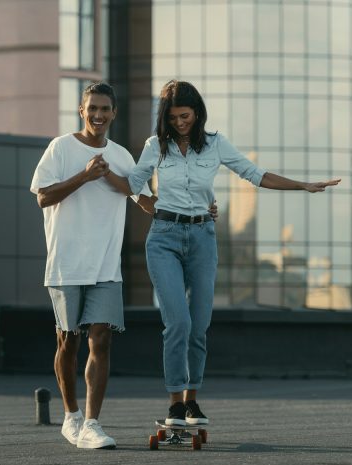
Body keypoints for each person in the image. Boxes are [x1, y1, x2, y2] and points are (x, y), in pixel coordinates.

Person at [104, 80, 340, 427]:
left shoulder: (215, 144)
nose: (180, 123)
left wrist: (302, 185)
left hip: (202, 237)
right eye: (173, 118)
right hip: (164, 239)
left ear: (197, 113)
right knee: (178, 323)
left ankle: (192, 400)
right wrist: (105, 175)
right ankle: (173, 403)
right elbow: (133, 186)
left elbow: (254, 174)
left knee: (199, 326)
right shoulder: (156, 146)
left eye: (185, 116)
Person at [29, 82, 156, 449]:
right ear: (82, 111)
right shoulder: (60, 148)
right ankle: (70, 415)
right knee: (68, 341)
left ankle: (92, 423)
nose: (99, 115)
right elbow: (43, 197)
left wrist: (196, 208)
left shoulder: (122, 156)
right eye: (93, 109)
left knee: (101, 339)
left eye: (105, 109)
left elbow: (145, 200)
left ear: (113, 113)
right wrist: (85, 175)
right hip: (66, 264)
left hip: (105, 266)